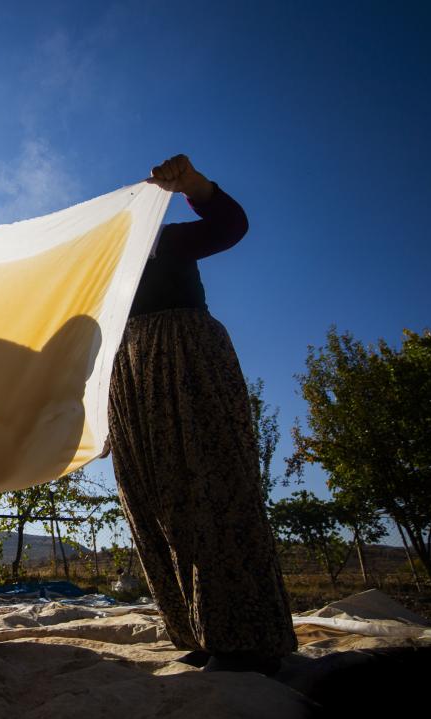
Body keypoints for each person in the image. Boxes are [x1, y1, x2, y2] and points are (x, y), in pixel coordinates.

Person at [106, 154, 296, 674]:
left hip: (186, 360)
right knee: (153, 501)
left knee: (212, 487)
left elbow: (230, 225)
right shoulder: (100, 276)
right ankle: (201, 630)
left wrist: (193, 184)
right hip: (130, 379)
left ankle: (247, 639)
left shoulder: (168, 244)